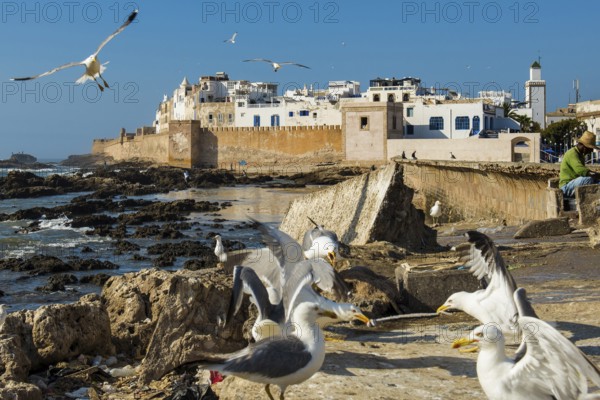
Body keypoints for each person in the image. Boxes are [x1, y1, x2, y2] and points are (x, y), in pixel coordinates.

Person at [559, 131, 600, 198]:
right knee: (588, 179)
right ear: (584, 147)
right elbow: (580, 170)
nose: (591, 151)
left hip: (574, 183)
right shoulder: (572, 153)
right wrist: (595, 174)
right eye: (590, 148)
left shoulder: (580, 155)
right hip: (566, 187)